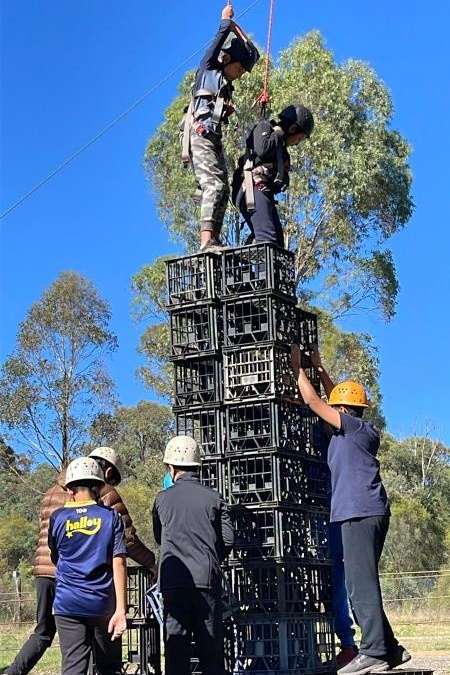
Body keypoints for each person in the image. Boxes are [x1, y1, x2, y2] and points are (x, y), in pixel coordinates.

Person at [291, 344, 411, 675]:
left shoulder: (354, 429)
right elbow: (333, 400)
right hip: (364, 510)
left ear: (345, 410)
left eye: (339, 408)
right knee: (362, 582)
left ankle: (373, 652)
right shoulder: (356, 429)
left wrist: (297, 367)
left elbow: (316, 402)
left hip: (359, 511)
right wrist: (320, 369)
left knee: (361, 585)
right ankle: (392, 649)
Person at [4, 446, 156, 675]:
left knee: (45, 633)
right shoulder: (106, 502)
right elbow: (127, 542)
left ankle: (13, 672)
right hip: (93, 588)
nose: (112, 483)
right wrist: (151, 562)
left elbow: (50, 542)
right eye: (112, 477)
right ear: (104, 473)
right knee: (103, 652)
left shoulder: (51, 494)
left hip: (50, 577)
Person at [152, 435, 234, 675]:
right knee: (211, 649)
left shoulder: (161, 499)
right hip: (206, 581)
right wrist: (210, 559)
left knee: (177, 648)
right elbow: (228, 539)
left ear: (171, 467)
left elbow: (159, 537)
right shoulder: (214, 498)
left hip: (173, 582)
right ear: (199, 466)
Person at [181, 4, 259, 252]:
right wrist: (227, 22)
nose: (239, 75)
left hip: (212, 138)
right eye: (239, 68)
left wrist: (225, 110)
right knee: (213, 185)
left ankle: (212, 237)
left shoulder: (224, 85)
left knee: (223, 188)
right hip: (199, 134)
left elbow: (252, 57)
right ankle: (206, 241)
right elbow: (219, 39)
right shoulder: (209, 69)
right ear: (227, 59)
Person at [48, 457, 127, 675]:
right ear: (99, 486)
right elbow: (119, 562)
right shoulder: (111, 517)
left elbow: (56, 556)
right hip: (102, 604)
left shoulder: (58, 518)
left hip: (67, 604)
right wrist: (121, 609)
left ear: (70, 488)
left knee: (73, 668)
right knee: (109, 668)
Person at [231, 104, 314, 247]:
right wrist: (279, 133)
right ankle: (265, 268)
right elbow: (262, 150)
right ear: (293, 129)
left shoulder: (281, 149)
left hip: (263, 192)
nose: (296, 144)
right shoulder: (265, 127)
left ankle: (271, 269)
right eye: (299, 139)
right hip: (252, 188)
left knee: (278, 244)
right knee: (267, 239)